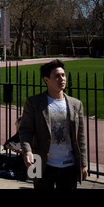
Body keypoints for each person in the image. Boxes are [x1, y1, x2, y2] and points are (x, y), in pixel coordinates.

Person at [19, 59, 87, 189]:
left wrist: (83, 164)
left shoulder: (76, 104)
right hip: (40, 163)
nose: (61, 79)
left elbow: (80, 137)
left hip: (69, 165)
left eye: (63, 75)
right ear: (46, 80)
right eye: (56, 76)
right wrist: (27, 151)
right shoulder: (33, 102)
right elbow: (26, 130)